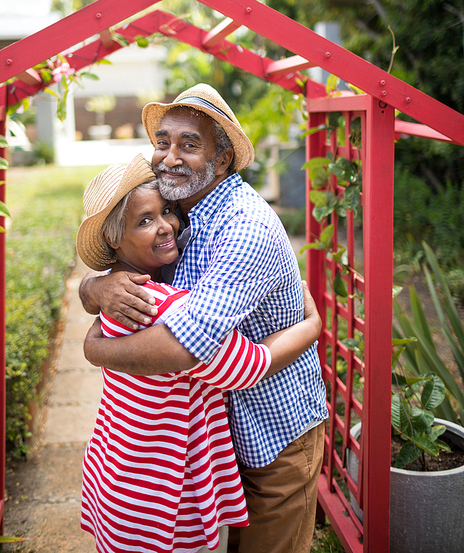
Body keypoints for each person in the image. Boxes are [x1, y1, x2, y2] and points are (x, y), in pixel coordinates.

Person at [82, 84, 328, 553]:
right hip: (212, 440)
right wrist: (94, 287)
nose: (169, 157)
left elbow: (182, 348)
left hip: (271, 434)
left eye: (189, 145)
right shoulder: (175, 214)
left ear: (221, 161)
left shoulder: (243, 226)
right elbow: (125, 258)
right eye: (163, 142)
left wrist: (95, 349)